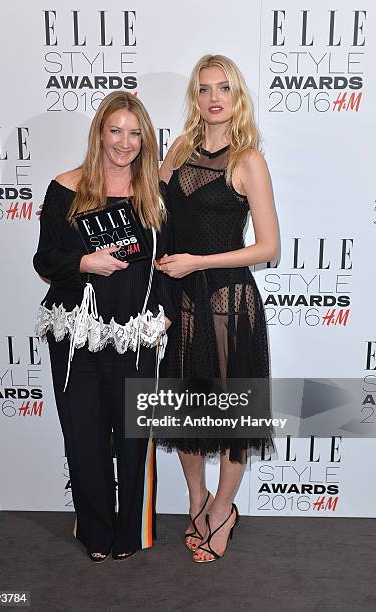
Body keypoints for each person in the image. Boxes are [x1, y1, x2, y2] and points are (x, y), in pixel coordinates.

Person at [33, 91, 178, 562]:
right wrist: (84, 262)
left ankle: (129, 533)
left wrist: (167, 312)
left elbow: (167, 262)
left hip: (136, 335)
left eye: (135, 133)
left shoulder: (156, 194)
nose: (125, 142)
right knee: (84, 433)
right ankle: (96, 532)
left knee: (135, 436)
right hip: (76, 333)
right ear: (99, 132)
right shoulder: (65, 187)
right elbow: (45, 259)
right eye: (116, 130)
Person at [157, 54, 279, 563]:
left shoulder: (247, 160)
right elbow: (153, 210)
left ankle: (224, 508)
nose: (213, 97)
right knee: (185, 412)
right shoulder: (179, 150)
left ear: (237, 97)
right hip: (181, 302)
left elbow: (268, 247)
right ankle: (196, 500)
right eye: (204, 89)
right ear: (195, 97)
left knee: (230, 416)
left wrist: (199, 261)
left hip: (228, 301)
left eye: (223, 88)